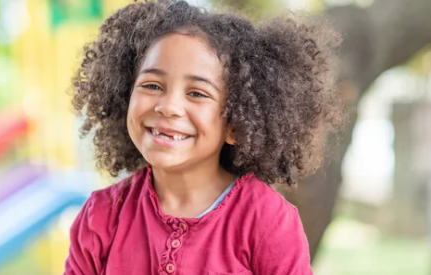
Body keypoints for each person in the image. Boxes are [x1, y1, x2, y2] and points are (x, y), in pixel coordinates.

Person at [64, 0, 343, 274]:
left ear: (235, 124)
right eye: (152, 85)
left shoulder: (267, 220)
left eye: (197, 93)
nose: (168, 107)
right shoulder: (101, 215)